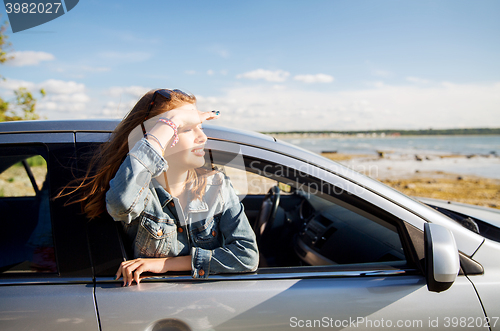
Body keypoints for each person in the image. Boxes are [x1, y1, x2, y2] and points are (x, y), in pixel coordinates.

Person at [72, 89, 258, 286]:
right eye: (187, 129)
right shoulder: (140, 191)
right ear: (158, 136)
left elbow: (246, 256)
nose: (202, 137)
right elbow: (120, 202)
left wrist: (167, 264)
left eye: (201, 127)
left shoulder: (217, 184)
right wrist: (171, 121)